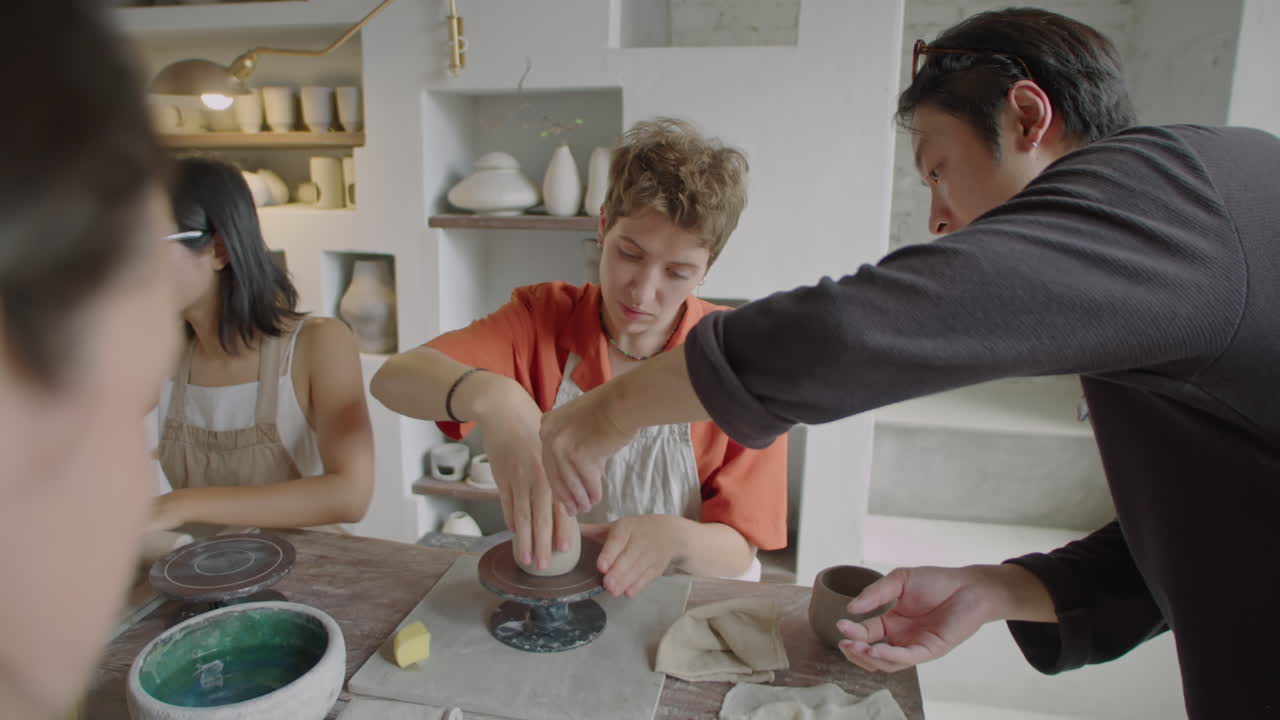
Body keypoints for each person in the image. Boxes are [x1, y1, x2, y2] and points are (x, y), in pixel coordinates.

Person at [537, 8, 1280, 718]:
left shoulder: (1168, 196)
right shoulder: (1182, 229)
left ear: (1028, 118)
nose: (937, 218)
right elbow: (1206, 538)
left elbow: (853, 332)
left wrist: (609, 411)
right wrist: (998, 588)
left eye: (937, 170)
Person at [372, 118, 787, 596]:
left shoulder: (733, 359)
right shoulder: (543, 317)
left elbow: (741, 547)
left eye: (677, 271)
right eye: (630, 254)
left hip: (683, 593)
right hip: (567, 591)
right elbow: (393, 378)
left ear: (707, 266)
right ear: (604, 225)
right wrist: (497, 397)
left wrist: (677, 538)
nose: (643, 290)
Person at [0, 3, 182, 717]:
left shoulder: (309, 340)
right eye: (135, 406)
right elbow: (410, 377)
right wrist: (494, 401)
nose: (136, 494)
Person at [149, 158, 374, 532]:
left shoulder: (319, 343)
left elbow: (350, 495)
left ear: (218, 249)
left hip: (307, 577)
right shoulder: (160, 352)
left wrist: (178, 504)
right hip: (205, 575)